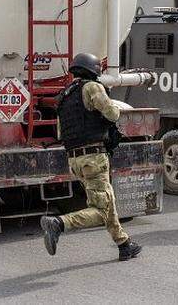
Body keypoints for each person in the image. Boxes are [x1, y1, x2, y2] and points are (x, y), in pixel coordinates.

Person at [40, 53, 142, 261]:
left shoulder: (65, 96)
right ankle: (59, 223)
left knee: (107, 199)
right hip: (93, 158)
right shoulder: (92, 88)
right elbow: (112, 114)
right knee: (100, 210)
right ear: (93, 70)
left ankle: (124, 244)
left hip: (75, 160)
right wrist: (110, 100)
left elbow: (62, 133)